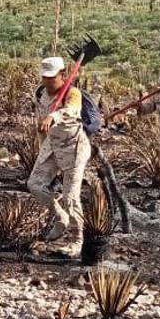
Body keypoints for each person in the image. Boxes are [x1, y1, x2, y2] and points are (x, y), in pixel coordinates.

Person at [27, 56, 92, 257]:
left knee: (70, 197)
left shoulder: (72, 93)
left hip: (74, 148)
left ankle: (76, 240)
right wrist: (41, 148)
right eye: (44, 77)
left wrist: (53, 116)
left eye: (52, 77)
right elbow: (41, 124)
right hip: (51, 146)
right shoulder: (40, 94)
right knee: (35, 184)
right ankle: (60, 217)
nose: (47, 81)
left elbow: (71, 110)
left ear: (62, 74)